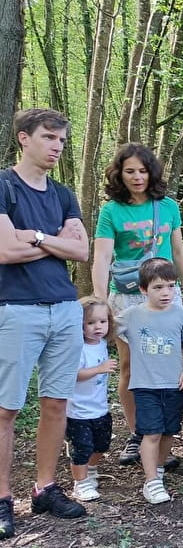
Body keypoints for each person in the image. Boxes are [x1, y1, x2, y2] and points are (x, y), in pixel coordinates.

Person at [0, 108, 90, 537]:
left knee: (56, 403)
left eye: (61, 140)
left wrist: (33, 236)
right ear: (24, 138)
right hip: (16, 308)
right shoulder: (3, 186)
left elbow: (82, 251)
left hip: (64, 307)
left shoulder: (64, 194)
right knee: (6, 408)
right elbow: (4, 252)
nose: (56, 146)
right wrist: (56, 242)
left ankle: (45, 488)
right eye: (49, 138)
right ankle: (1, 498)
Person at [90, 143, 183, 468]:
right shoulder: (112, 211)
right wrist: (100, 301)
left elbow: (178, 252)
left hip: (165, 293)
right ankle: (139, 434)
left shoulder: (166, 206)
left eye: (142, 170)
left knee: (166, 366)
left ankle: (160, 437)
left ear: (152, 172)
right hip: (127, 296)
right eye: (130, 171)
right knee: (129, 367)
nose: (137, 177)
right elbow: (102, 257)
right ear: (119, 175)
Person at [116, 258, 183, 504]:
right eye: (158, 287)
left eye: (171, 286)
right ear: (143, 289)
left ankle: (158, 469)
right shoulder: (131, 315)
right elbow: (104, 328)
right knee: (151, 432)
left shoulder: (180, 314)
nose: (166, 293)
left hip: (174, 384)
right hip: (145, 385)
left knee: (169, 431)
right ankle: (151, 481)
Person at [65, 297, 118, 502]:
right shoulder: (78, 347)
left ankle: (91, 469)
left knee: (102, 445)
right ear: (79, 324)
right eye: (91, 323)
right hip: (78, 411)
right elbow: (73, 374)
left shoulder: (102, 343)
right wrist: (99, 369)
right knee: (82, 448)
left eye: (102, 321)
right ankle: (80, 483)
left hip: (100, 407)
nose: (98, 327)